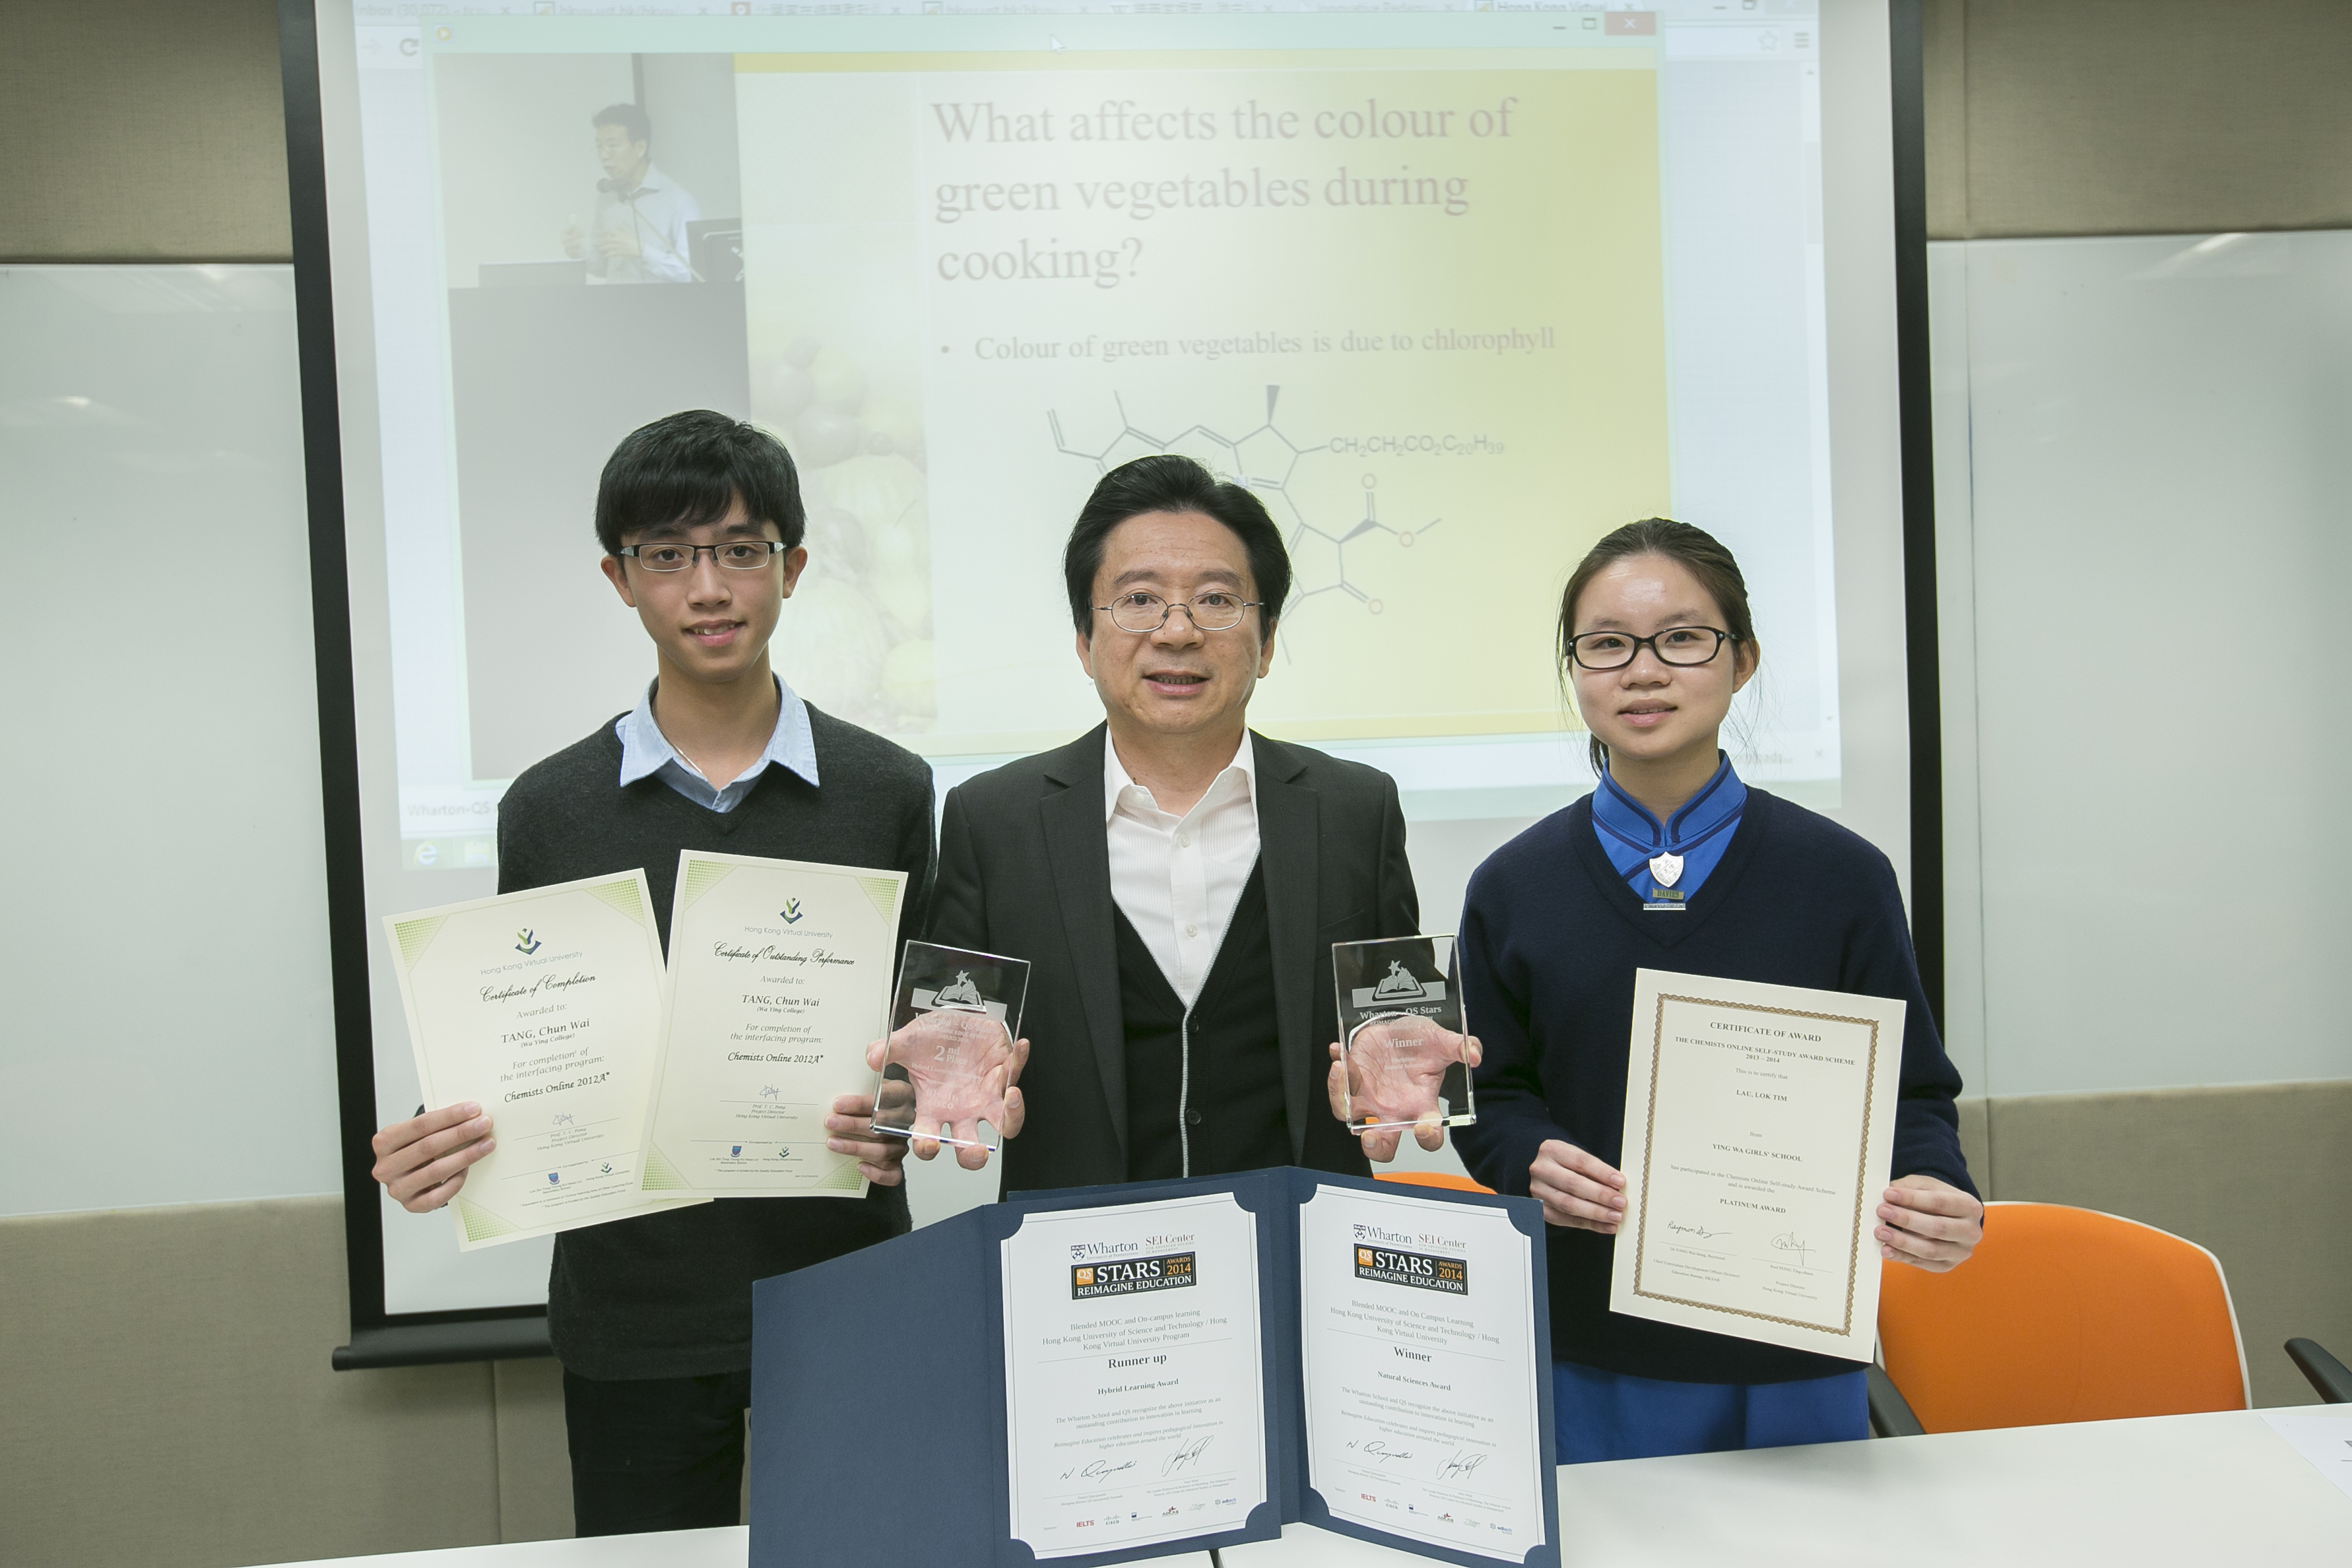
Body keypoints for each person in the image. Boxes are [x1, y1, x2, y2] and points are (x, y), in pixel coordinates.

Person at [364, 411, 953, 1534]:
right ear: (619, 578)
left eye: (739, 550)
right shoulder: (549, 808)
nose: (708, 587)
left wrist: (905, 1108)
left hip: (844, 1287)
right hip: (633, 1307)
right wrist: (446, 1142)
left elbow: (919, 1040)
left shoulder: (886, 788)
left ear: (792, 567)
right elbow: (526, 1035)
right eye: (668, 554)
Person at [1449, 517, 1983, 1464]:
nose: (1643, 671)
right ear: (1575, 670)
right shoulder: (1512, 886)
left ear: (1743, 661)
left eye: (1683, 639)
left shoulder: (1842, 876)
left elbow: (1910, 1093)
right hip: (1591, 1350)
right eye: (1607, 645)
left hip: (1795, 1350)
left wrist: (1935, 1186)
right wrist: (1528, 1156)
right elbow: (1491, 1095)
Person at [926, 453, 1423, 1194]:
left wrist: (1413, 1063)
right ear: (1084, 641)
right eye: (1140, 600)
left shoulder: (1357, 809)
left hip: (1299, 1241)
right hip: (1081, 1251)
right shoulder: (992, 821)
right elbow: (949, 1034)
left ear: (1268, 641)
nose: (1179, 632)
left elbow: (1400, 1022)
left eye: (1217, 600)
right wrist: (928, 1078)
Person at [560, 103, 699, 284]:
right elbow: (603, 267)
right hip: (615, 301)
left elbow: (691, 274)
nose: (604, 155)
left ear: (640, 148)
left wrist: (641, 250)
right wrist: (579, 251)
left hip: (661, 302)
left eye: (612, 145)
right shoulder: (608, 198)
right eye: (599, 146)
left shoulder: (677, 201)